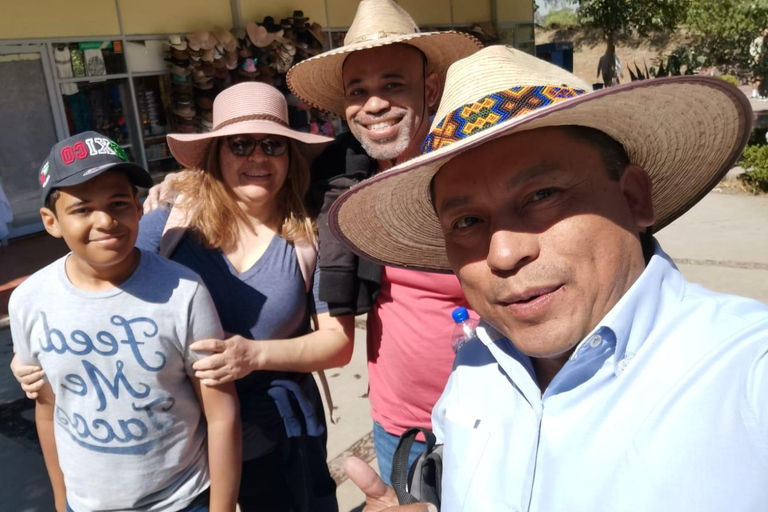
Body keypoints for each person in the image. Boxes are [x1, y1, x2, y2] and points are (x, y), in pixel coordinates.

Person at [330, 46, 767, 511]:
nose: (502, 253)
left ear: (635, 198)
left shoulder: (745, 372)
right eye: (466, 222)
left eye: (542, 194)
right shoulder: (476, 365)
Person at [13, 83, 353, 512]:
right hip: (183, 447)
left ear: (290, 154)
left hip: (278, 431)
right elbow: (100, 290)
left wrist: (253, 355)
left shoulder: (310, 231)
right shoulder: (170, 224)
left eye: (273, 144)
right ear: (216, 153)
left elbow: (338, 343)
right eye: (240, 144)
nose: (258, 156)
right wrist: (33, 352)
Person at [285, 0, 482, 484]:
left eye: (393, 85)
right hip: (399, 425)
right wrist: (176, 196)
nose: (374, 105)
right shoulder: (341, 182)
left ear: (429, 89)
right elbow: (256, 192)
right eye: (360, 91)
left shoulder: (475, 171)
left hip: (490, 417)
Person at [9, 132, 241, 512]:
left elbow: (220, 412)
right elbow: (48, 409)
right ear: (51, 221)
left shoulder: (183, 291)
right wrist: (60, 499)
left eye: (118, 203)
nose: (105, 221)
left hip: (183, 500)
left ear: (138, 207)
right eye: (82, 209)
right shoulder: (29, 302)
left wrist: (222, 507)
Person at [750, 27, 768, 99]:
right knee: (758, 77)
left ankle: (762, 92)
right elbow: (752, 49)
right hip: (758, 61)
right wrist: (755, 56)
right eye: (765, 32)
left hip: (765, 61)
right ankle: (755, 92)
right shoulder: (757, 40)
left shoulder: (766, 41)